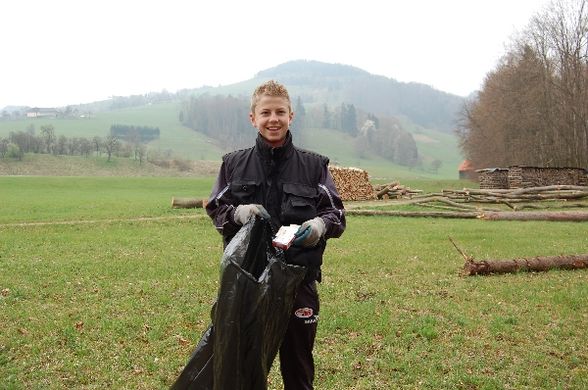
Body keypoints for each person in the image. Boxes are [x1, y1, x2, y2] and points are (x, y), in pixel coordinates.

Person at [205, 80, 346, 389]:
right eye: (265, 112)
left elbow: (336, 213)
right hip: (246, 284)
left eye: (280, 112)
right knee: (243, 367)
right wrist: (238, 214)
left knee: (298, 367)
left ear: (291, 116)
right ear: (252, 118)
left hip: (299, 281)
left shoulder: (313, 167)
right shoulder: (233, 165)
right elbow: (216, 207)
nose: (273, 119)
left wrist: (320, 227)